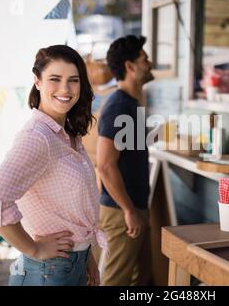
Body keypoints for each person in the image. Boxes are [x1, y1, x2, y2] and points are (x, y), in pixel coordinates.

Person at [0, 45, 106, 286]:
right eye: (54, 79)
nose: (65, 89)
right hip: (48, 271)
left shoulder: (68, 135)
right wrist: (34, 249)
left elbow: (73, 211)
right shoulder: (38, 138)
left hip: (73, 264)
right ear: (37, 81)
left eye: (73, 80)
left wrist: (87, 256)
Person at [96, 35, 154, 286]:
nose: (150, 63)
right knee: (115, 281)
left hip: (134, 207)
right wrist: (129, 210)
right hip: (122, 211)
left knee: (141, 279)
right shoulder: (119, 106)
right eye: (144, 58)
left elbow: (130, 147)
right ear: (130, 67)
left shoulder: (132, 104)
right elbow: (106, 166)